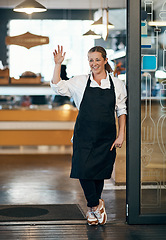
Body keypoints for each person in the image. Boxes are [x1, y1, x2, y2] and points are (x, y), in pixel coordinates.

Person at [50, 45, 127, 226]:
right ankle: (95, 204)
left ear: (105, 61)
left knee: (98, 173)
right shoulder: (80, 81)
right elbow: (57, 87)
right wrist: (57, 65)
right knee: (83, 170)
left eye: (97, 60)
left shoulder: (117, 84)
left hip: (106, 136)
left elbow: (121, 111)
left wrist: (121, 134)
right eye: (91, 60)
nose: (94, 64)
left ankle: (92, 211)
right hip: (84, 135)